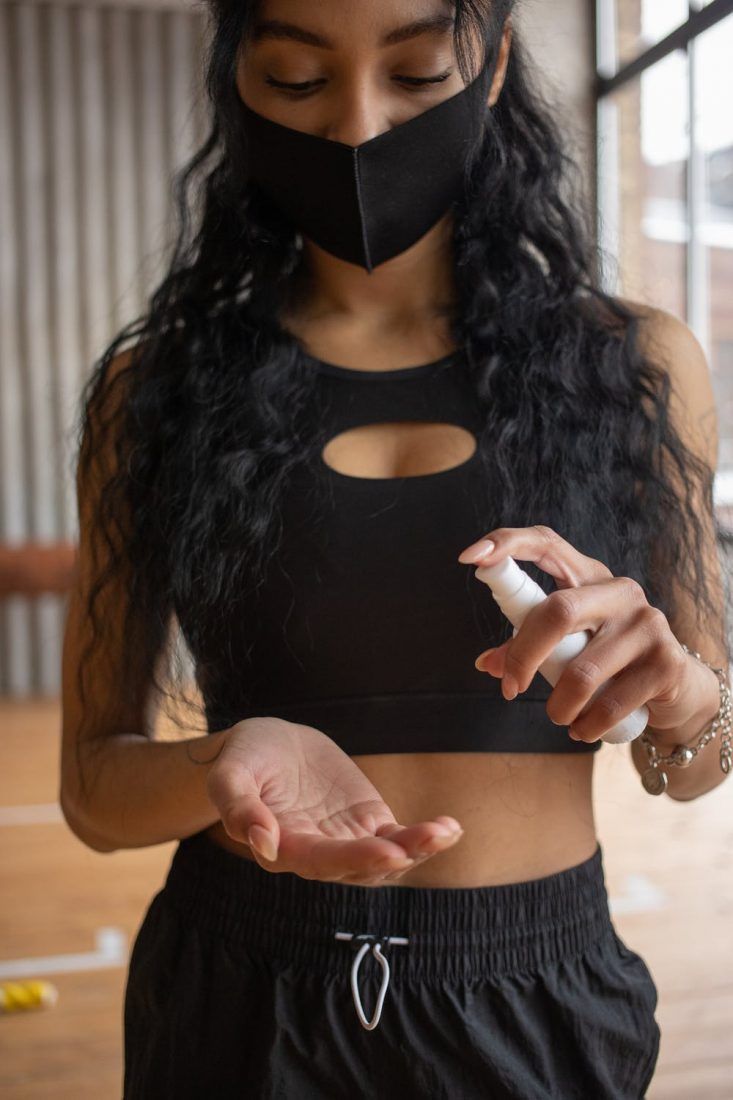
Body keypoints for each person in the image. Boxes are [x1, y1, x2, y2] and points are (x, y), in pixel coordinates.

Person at [60, 1, 731, 1097]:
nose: (359, 127)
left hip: (534, 994)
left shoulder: (635, 365)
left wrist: (682, 691)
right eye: (296, 79)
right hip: (239, 991)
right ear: (237, 79)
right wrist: (219, 763)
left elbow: (698, 764)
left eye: (416, 72)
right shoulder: (155, 393)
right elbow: (92, 789)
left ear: (493, 62)